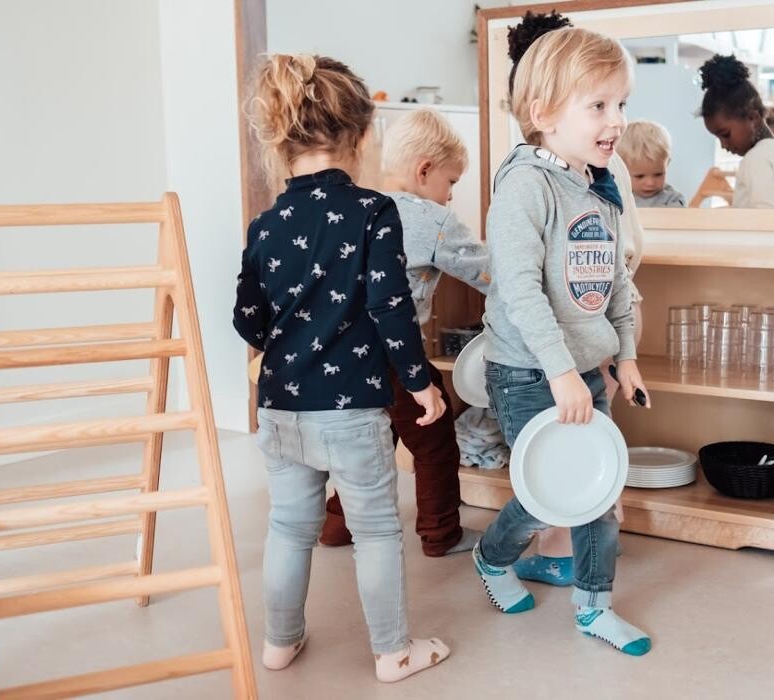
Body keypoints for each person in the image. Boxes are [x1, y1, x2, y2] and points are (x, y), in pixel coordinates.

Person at [233, 53, 450, 682]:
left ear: (283, 140)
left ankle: (279, 643)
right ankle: (393, 652)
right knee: (377, 528)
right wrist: (419, 382)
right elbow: (391, 306)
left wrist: (289, 327)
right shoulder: (373, 210)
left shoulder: (267, 224)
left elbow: (247, 321)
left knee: (288, 526)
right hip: (350, 409)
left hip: (278, 406)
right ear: (359, 135)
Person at [473, 25, 653, 657]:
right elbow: (521, 294)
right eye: (599, 105)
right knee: (544, 491)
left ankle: (594, 607)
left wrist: (624, 356)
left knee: (597, 493)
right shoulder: (527, 186)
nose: (616, 121)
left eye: (621, 104)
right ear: (543, 114)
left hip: (580, 367)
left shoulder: (598, 185)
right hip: (527, 370)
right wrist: (560, 373)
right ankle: (493, 557)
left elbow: (616, 283)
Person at [320, 108, 489, 557]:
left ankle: (337, 525)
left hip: (345, 353)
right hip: (396, 355)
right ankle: (441, 534)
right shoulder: (432, 220)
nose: (451, 196)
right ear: (424, 170)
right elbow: (489, 275)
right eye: (451, 182)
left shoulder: (355, 208)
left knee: (372, 443)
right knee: (433, 441)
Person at [699, 54, 774, 209]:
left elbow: (765, 218)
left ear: (753, 118)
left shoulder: (756, 158)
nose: (723, 145)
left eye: (725, 135)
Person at [617, 120, 686, 207]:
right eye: (640, 176)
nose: (650, 183)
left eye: (658, 174)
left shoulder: (672, 199)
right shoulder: (616, 198)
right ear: (621, 169)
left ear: (667, 164)